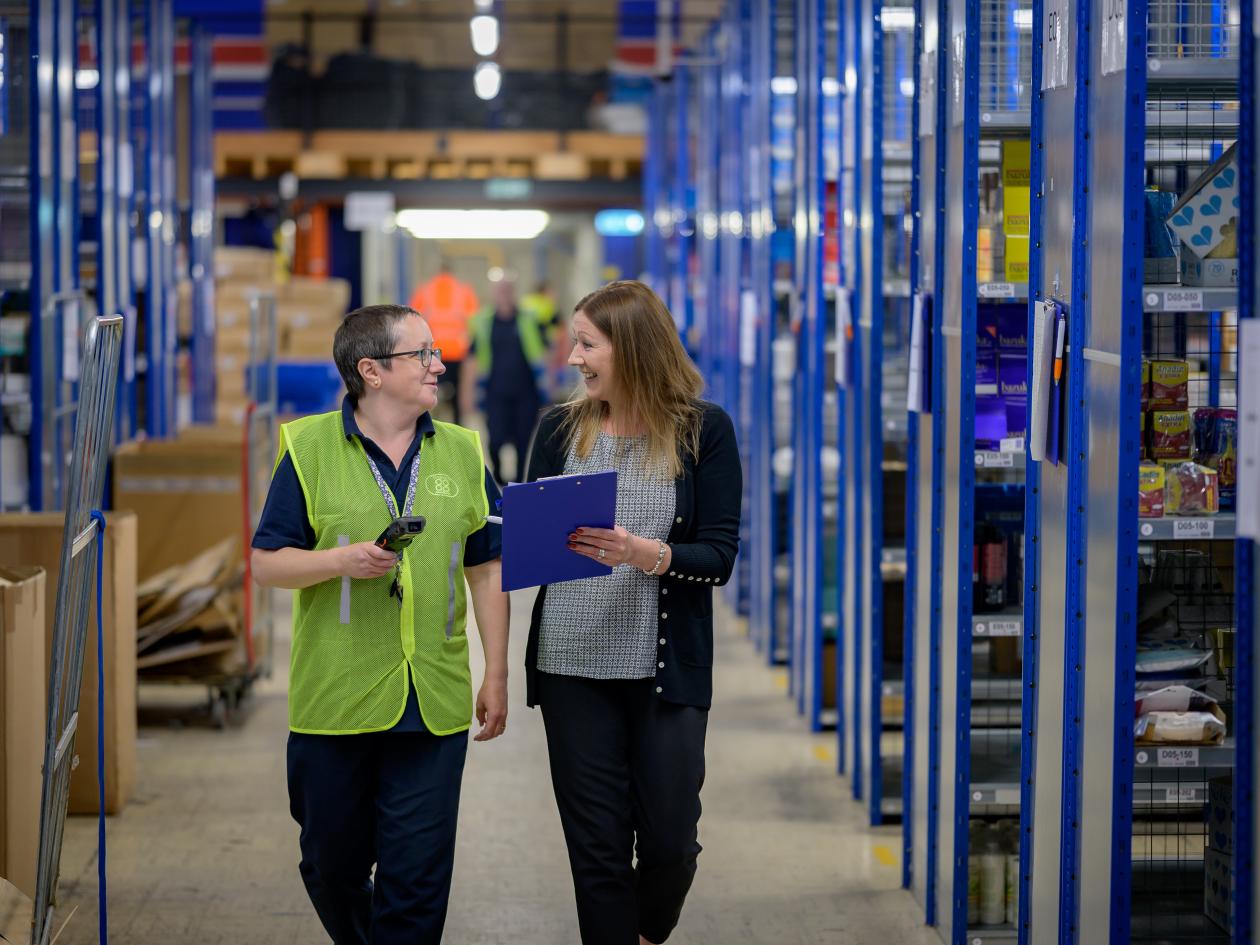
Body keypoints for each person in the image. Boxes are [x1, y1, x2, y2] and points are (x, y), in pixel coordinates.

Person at [250, 303, 509, 945]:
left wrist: (496, 671)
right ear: (371, 370)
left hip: (434, 697)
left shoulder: (461, 452)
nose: (437, 363)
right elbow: (264, 564)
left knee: (416, 879)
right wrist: (339, 560)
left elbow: (486, 567)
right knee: (331, 866)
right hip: (335, 697)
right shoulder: (307, 449)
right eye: (421, 353)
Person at [523, 280, 742, 945]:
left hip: (663, 672)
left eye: (587, 344)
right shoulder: (558, 428)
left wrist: (642, 552)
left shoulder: (705, 430)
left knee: (672, 843)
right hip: (571, 666)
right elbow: (531, 548)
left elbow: (719, 556)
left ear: (634, 348)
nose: (573, 358)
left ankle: (646, 932)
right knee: (598, 852)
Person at [468, 279, 549, 484]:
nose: (503, 294)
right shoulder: (484, 321)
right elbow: (472, 358)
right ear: (493, 294)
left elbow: (546, 348)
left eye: (507, 290)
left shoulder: (528, 319)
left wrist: (550, 380)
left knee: (523, 442)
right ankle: (499, 476)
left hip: (526, 392)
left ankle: (520, 484)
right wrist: (467, 392)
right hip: (495, 392)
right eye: (499, 290)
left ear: (513, 293)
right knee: (495, 440)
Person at [409, 262, 479, 425]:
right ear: (451, 272)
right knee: (456, 397)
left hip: (432, 353)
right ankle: (456, 427)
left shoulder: (425, 290)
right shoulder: (464, 291)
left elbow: (412, 320)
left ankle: (431, 427)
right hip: (458, 351)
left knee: (431, 393)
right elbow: (474, 322)